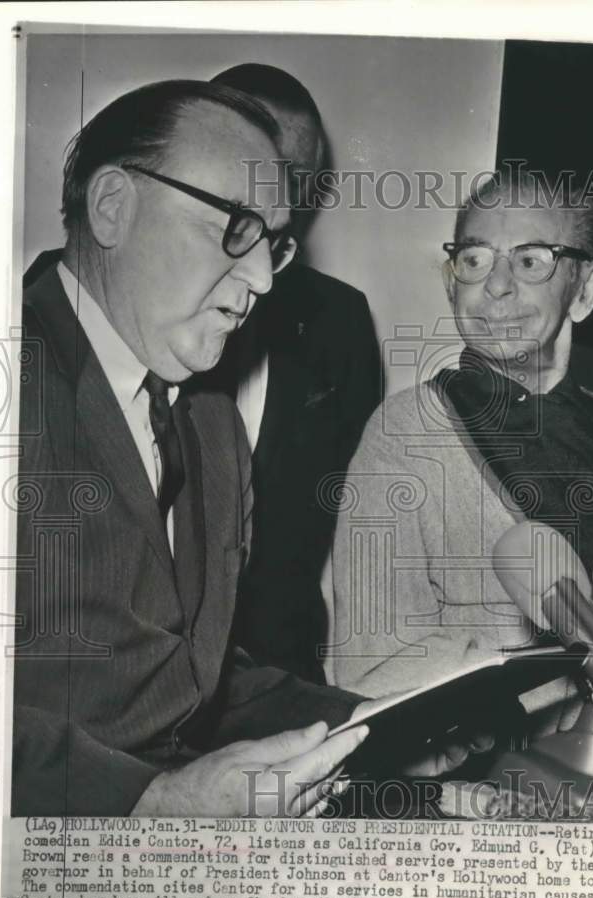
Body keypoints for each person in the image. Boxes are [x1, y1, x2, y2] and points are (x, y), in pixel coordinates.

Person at [13, 79, 373, 818]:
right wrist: (151, 803)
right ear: (113, 205)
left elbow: (189, 685)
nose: (264, 281)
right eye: (237, 227)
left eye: (274, 244)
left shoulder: (212, 426)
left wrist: (383, 721)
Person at [326, 168, 593, 714]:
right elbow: (369, 663)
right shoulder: (403, 433)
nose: (496, 285)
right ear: (453, 282)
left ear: (584, 291)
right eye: (475, 261)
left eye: (530, 260)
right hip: (484, 784)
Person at [203, 65, 383, 683]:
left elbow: (353, 524)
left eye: (298, 182)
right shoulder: (82, 301)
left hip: (283, 682)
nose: (283, 205)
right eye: (262, 174)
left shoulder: (341, 320)